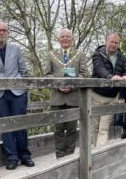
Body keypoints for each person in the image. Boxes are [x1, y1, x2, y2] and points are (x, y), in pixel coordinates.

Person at [0, 21, 34, 170]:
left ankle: (25, 155)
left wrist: (23, 88)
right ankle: (12, 157)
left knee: (20, 124)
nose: (1, 33)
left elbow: (24, 71)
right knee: (4, 126)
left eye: (4, 30)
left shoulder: (16, 50)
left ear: (8, 33)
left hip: (17, 93)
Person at [44, 28, 89, 158]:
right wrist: (58, 86)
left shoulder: (80, 54)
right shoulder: (51, 55)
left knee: (71, 129)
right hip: (57, 98)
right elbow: (47, 75)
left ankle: (69, 156)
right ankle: (59, 155)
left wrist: (72, 86)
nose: (65, 39)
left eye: (67, 37)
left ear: (72, 39)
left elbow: (84, 74)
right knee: (58, 129)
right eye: (62, 36)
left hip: (73, 98)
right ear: (58, 39)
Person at [91, 33, 126, 146]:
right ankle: (94, 153)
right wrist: (110, 77)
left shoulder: (121, 57)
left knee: (104, 128)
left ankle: (99, 155)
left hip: (112, 97)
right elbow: (100, 70)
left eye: (116, 42)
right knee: (94, 126)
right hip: (96, 95)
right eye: (111, 42)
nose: (113, 44)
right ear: (106, 41)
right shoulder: (97, 54)